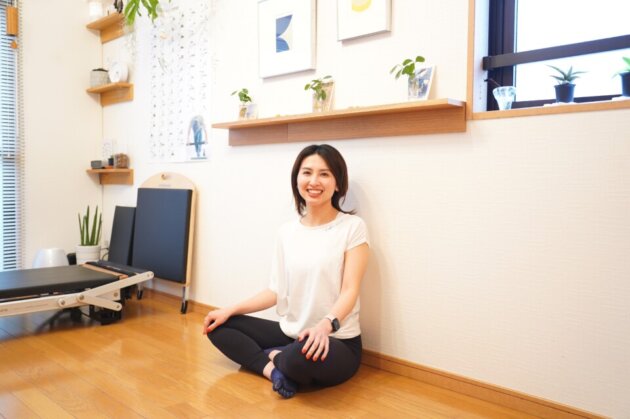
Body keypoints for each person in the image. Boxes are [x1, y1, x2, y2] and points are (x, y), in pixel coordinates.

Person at [203, 144, 370, 399]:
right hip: (292, 333)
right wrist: (229, 310)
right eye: (307, 172)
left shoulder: (352, 227)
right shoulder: (287, 232)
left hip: (337, 340)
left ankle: (276, 356)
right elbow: (276, 291)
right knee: (217, 326)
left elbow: (350, 290)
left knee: (298, 358)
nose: (314, 181)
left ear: (338, 184)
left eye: (324, 174)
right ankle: (273, 371)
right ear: (297, 180)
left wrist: (324, 326)